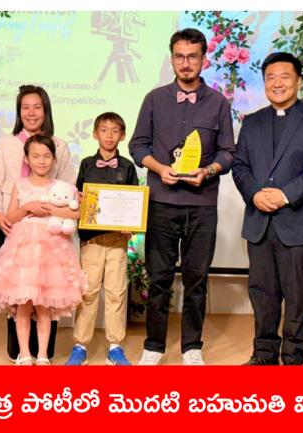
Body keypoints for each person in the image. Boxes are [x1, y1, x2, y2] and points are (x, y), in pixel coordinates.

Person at [129, 28, 235, 365]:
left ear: (203, 59)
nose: (185, 63)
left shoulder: (219, 103)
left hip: (202, 206)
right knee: (158, 279)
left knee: (196, 280)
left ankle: (192, 347)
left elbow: (228, 153)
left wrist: (209, 170)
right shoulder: (154, 99)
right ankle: (154, 346)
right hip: (161, 202)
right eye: (179, 56)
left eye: (192, 57)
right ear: (172, 59)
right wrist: (159, 168)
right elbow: (137, 145)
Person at [232, 52, 303, 366]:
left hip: (299, 220)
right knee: (261, 292)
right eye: (271, 78)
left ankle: (292, 358)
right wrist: (254, 195)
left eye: (285, 76)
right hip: (259, 220)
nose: (277, 83)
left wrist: (285, 195)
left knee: (297, 295)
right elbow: (240, 166)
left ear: (298, 81)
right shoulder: (252, 122)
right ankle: (263, 355)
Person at [0, 85, 76, 361]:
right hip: (13, 227)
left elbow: (68, 184)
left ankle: (43, 351)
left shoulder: (59, 145)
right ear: (18, 111)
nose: (31, 113)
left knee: (48, 291)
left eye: (37, 107)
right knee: (18, 291)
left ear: (46, 111)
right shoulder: (5, 144)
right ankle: (21, 350)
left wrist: (62, 208)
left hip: (51, 234)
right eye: (25, 107)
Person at [65, 112, 139, 366]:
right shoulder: (86, 164)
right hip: (92, 241)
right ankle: (80, 346)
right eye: (104, 130)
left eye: (115, 131)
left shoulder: (128, 167)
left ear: (122, 135)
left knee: (117, 292)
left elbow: (134, 201)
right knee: (88, 292)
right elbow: (78, 198)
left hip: (118, 241)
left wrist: (131, 223)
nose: (109, 135)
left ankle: (115, 347)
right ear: (95, 134)